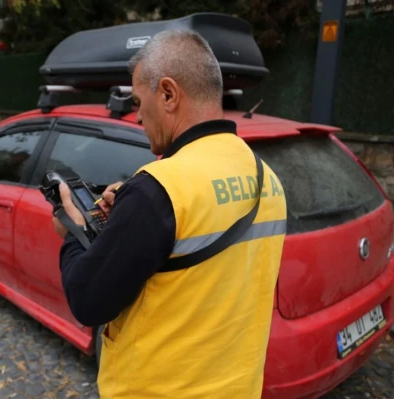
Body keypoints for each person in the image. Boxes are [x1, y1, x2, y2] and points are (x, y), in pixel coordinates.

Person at [52, 29, 287, 399]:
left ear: (168, 94)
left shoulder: (158, 190)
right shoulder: (265, 176)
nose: (137, 115)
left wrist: (73, 228)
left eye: (137, 100)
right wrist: (128, 217)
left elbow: (87, 300)